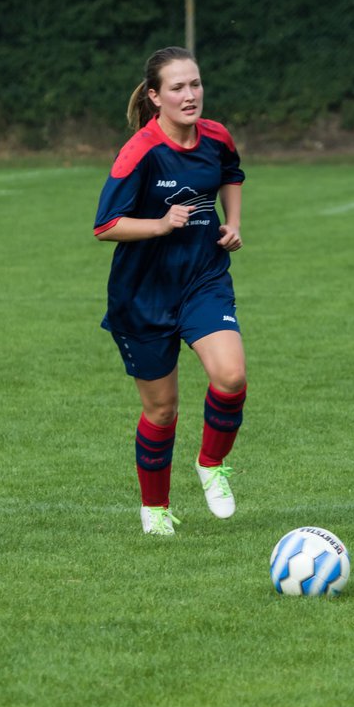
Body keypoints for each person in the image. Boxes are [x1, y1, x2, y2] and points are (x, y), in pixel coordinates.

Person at [93, 46, 247, 536]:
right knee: (162, 409)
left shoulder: (216, 135)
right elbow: (105, 226)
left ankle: (211, 464)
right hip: (143, 295)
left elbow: (231, 174)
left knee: (231, 375)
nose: (190, 95)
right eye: (178, 88)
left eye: (195, 84)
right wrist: (159, 225)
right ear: (155, 96)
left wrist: (234, 222)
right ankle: (155, 510)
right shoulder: (140, 151)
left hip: (203, 278)